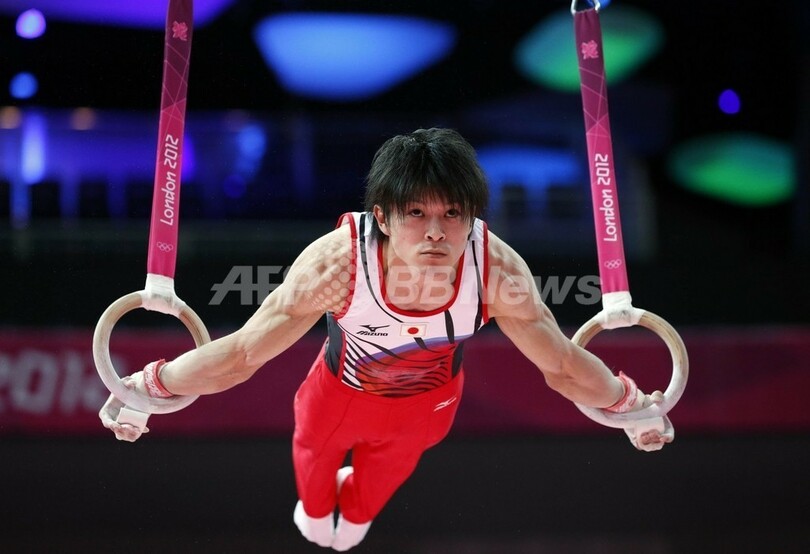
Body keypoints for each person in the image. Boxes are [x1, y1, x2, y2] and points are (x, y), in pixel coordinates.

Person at [100, 127, 673, 551]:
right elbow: (243, 355)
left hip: (428, 410)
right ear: (381, 215)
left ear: (473, 217)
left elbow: (563, 367)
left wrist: (631, 405)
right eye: (416, 212)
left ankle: (349, 516)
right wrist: (149, 386)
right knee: (316, 504)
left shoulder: (495, 270)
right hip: (335, 399)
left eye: (453, 214)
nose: (435, 231)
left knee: (356, 521)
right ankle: (318, 509)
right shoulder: (337, 266)